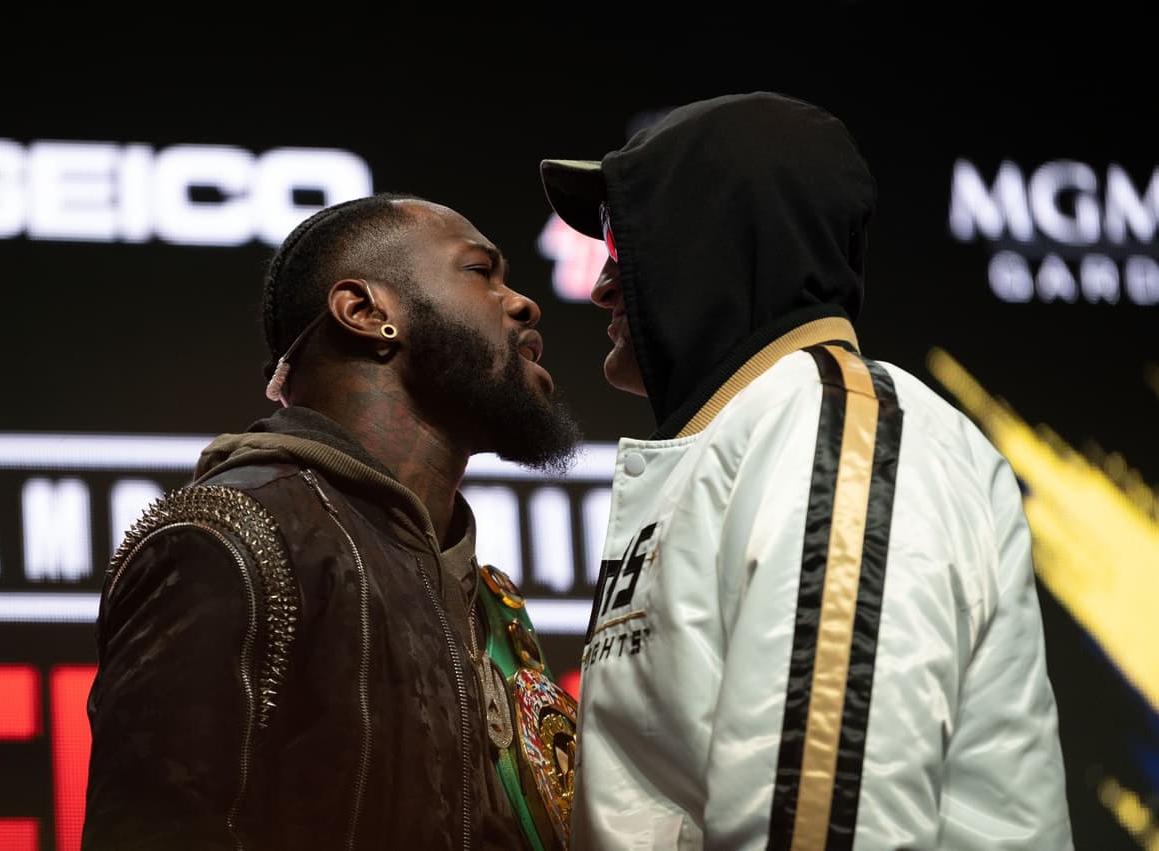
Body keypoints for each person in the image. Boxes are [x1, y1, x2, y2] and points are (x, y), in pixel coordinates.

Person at [538, 92, 1074, 849]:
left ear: (713, 239)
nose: (600, 285)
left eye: (623, 242)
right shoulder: (770, 432)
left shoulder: (833, 430)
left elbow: (827, 823)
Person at [81, 192, 583, 850]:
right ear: (366, 311)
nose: (523, 303)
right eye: (479, 271)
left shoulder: (481, 596)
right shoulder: (232, 538)